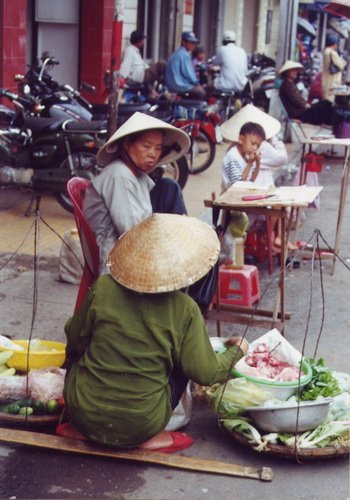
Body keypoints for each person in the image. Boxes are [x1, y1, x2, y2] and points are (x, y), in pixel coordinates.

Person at [58, 213, 249, 452]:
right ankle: (154, 436)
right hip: (142, 425)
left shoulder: (104, 287)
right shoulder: (184, 308)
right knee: (184, 361)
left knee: (78, 347)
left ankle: (79, 426)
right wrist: (238, 350)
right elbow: (206, 372)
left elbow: (74, 339)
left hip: (81, 413)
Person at [83, 112, 190, 273]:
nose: (153, 154)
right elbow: (132, 234)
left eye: (158, 148)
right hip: (116, 258)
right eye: (147, 146)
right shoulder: (119, 175)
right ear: (127, 144)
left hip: (134, 249)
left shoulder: (137, 175)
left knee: (169, 187)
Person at [278, 60, 333, 125]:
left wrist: (308, 105)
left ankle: (331, 124)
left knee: (326, 103)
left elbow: (298, 99)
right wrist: (307, 106)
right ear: (287, 72)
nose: (295, 72)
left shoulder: (290, 84)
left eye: (296, 70)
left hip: (300, 111)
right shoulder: (287, 85)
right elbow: (296, 100)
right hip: (298, 114)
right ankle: (332, 124)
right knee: (325, 104)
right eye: (293, 70)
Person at [165, 31, 206, 99]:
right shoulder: (184, 54)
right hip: (179, 85)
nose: (193, 45)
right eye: (191, 42)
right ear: (184, 42)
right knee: (201, 92)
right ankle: (195, 109)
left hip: (172, 84)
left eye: (194, 43)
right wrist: (197, 83)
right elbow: (189, 74)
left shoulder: (178, 53)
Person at [322, 34, 346, 104]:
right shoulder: (332, 53)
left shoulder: (325, 52)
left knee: (326, 100)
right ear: (335, 44)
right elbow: (341, 65)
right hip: (333, 81)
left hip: (325, 79)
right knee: (330, 101)